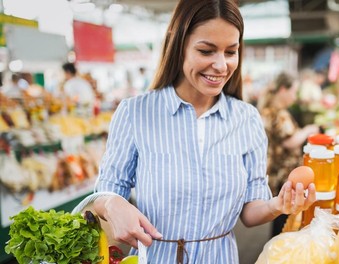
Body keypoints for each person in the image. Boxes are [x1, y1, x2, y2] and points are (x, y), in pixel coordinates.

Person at [72, 0, 316, 262]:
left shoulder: (247, 119)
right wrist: (111, 203)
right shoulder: (135, 113)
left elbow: (250, 211)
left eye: (230, 52)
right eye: (206, 51)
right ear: (179, 47)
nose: (221, 66)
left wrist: (277, 205)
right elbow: (105, 193)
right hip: (154, 257)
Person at [258, 72, 319, 237]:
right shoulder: (278, 114)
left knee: (278, 215)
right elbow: (289, 141)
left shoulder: (267, 110)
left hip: (275, 173)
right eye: (293, 91)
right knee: (283, 219)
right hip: (283, 176)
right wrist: (308, 130)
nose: (295, 96)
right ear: (283, 90)